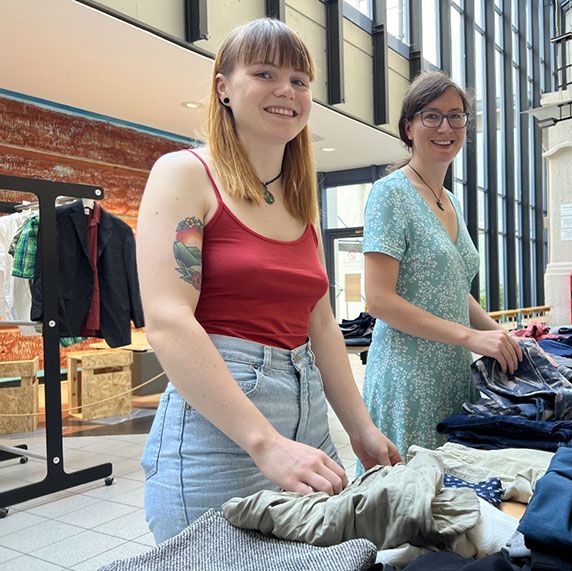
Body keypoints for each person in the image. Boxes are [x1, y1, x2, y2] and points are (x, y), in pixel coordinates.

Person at [136, 18, 400, 543]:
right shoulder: (185, 173)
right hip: (220, 427)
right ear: (223, 88)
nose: (287, 91)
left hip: (308, 417)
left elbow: (321, 324)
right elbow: (168, 321)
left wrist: (360, 427)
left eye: (300, 80)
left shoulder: (301, 201)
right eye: (264, 73)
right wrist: (265, 442)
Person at [362, 71, 524, 456]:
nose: (445, 126)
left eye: (456, 116)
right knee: (408, 499)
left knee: (452, 495)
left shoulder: (449, 200)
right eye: (431, 116)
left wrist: (504, 339)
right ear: (409, 127)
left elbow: (454, 292)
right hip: (408, 378)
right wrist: (471, 338)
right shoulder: (390, 195)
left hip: (452, 372)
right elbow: (378, 300)